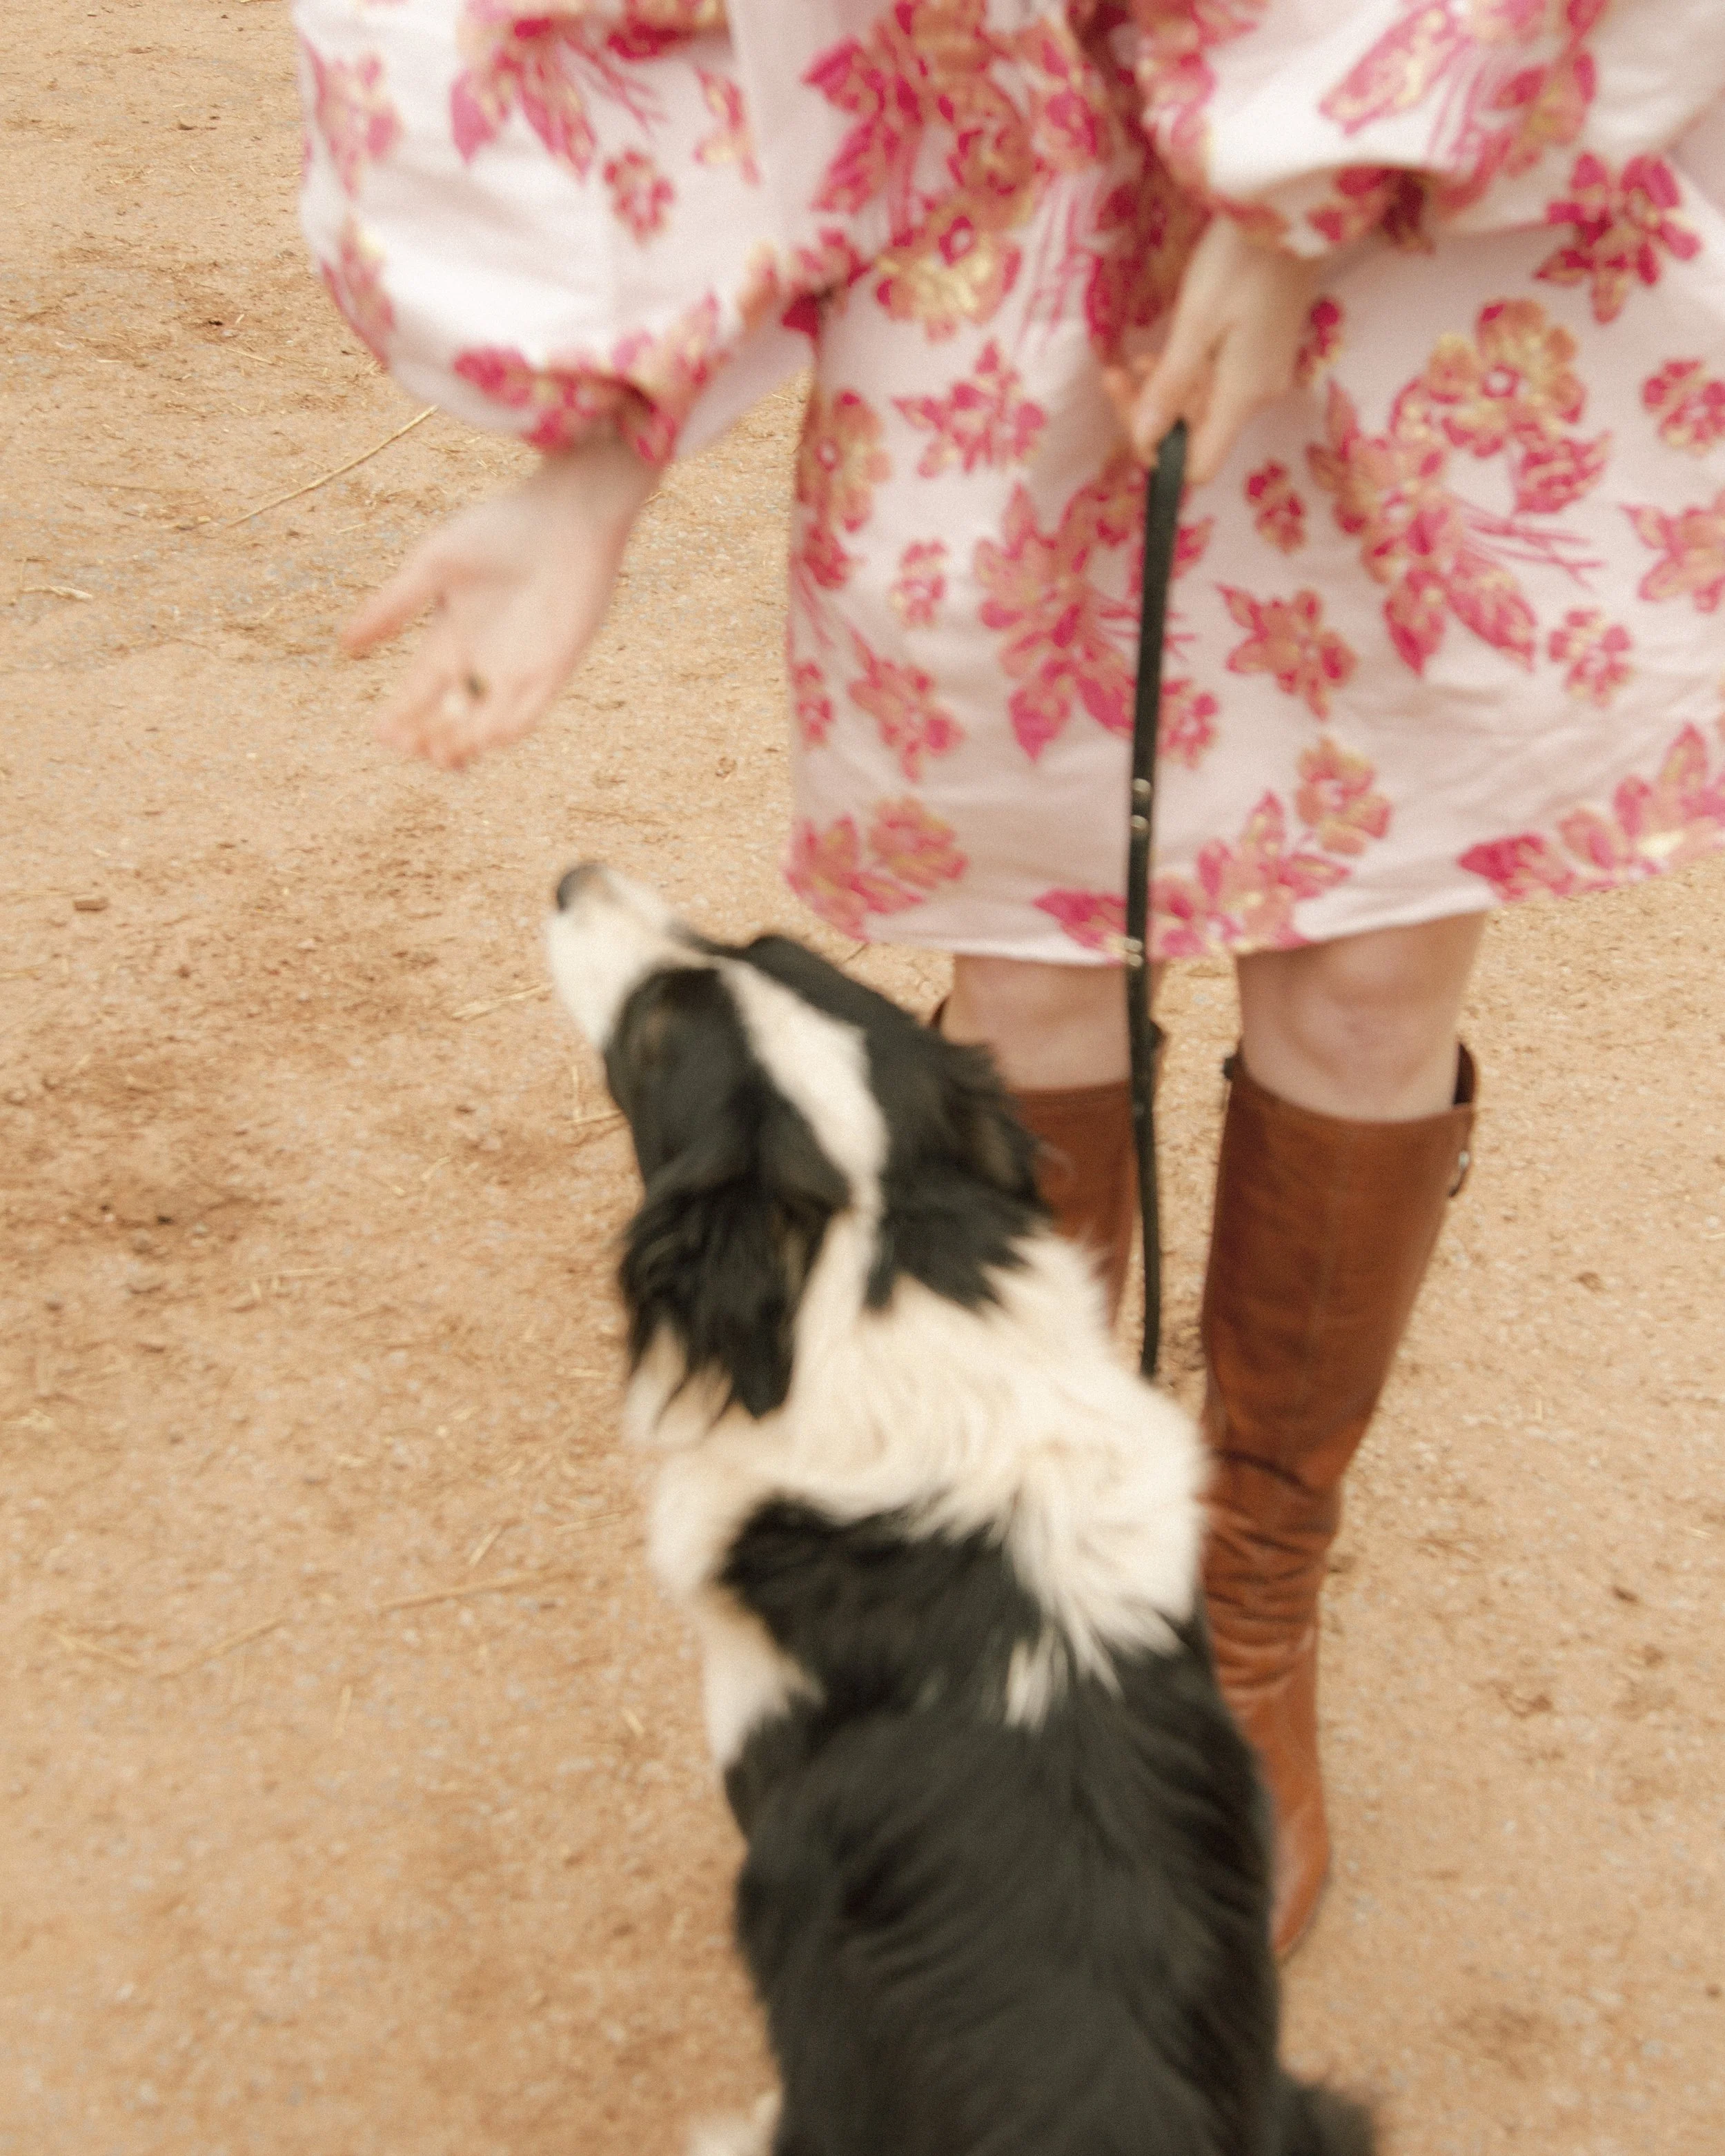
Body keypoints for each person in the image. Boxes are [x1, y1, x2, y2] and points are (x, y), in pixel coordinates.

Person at [294, 0, 1725, 1955]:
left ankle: (1246, 1599)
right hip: (1003, 232)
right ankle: (1053, 1566)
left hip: (1433, 223)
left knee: (1369, 974)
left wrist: (1316, 188)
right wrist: (593, 465)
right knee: (1037, 965)